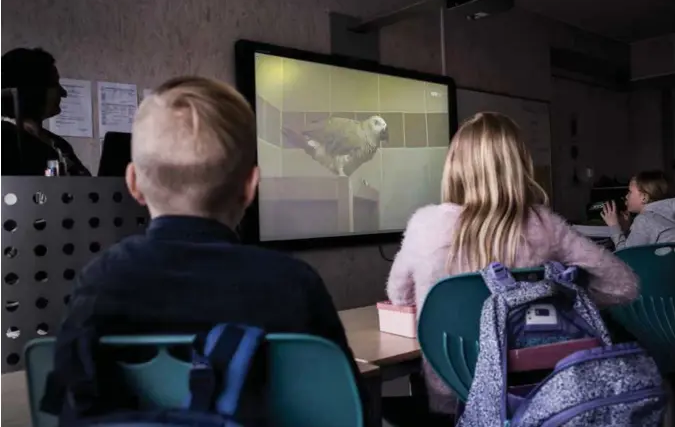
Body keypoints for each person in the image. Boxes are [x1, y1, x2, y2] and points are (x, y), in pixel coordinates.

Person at [49, 76, 365, 424]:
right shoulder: (295, 284)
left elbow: (62, 404)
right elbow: (346, 409)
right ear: (251, 186)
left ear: (133, 183)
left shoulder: (100, 280)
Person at [386, 112, 638, 417]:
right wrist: (563, 299)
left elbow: (399, 297)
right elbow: (624, 285)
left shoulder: (425, 226)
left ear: (455, 165)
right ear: (520, 164)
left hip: (454, 392)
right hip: (533, 395)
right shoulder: (543, 225)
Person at [1, 47, 90, 176]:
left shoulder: (59, 144)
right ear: (33, 90)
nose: (63, 93)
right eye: (55, 84)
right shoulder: (5, 142)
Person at [601, 170, 675, 250]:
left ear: (644, 197)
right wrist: (627, 229)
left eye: (630, 192)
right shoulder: (667, 214)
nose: (626, 196)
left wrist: (614, 226)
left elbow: (628, 256)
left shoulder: (644, 220)